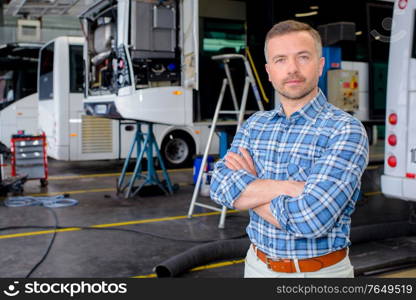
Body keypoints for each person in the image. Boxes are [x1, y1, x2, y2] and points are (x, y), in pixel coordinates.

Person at [210, 20, 369, 278]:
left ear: (320, 65)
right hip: (256, 267)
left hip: (318, 274)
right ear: (269, 71)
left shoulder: (344, 130)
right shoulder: (254, 125)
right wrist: (291, 188)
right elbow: (219, 186)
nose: (292, 69)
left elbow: (313, 219)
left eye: (303, 57)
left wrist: (251, 188)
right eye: (281, 60)